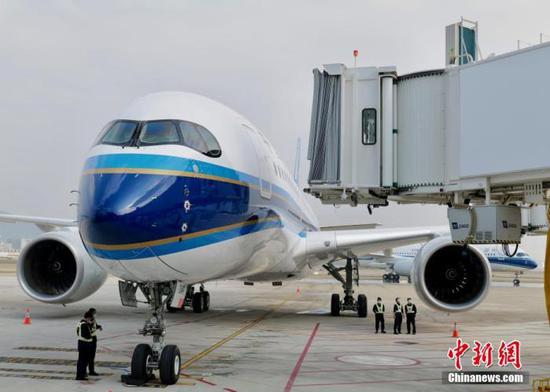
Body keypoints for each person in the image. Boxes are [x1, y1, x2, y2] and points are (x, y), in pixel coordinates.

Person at [76, 311, 94, 381]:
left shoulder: (80, 323)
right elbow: (85, 335)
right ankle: (80, 376)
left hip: (81, 343)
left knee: (82, 360)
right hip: (84, 344)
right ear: (88, 318)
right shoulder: (84, 325)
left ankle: (82, 374)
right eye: (90, 319)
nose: (90, 320)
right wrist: (90, 337)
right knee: (83, 361)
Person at [88, 308, 103, 376]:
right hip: (91, 339)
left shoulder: (92, 319)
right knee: (90, 356)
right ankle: (90, 371)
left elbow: (95, 326)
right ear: (92, 312)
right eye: (95, 312)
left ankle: (91, 370)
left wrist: (98, 326)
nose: (95, 314)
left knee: (91, 356)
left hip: (93, 338)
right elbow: (90, 328)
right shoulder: (90, 319)